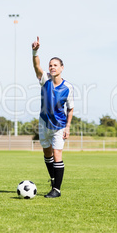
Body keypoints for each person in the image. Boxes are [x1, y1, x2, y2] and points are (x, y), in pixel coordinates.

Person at [32, 36, 74, 198]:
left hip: (59, 125)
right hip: (43, 123)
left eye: (55, 65)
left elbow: (70, 109)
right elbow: (36, 66)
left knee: (57, 155)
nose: (52, 67)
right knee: (47, 154)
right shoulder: (45, 80)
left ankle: (56, 189)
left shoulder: (68, 87)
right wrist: (35, 51)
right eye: (50, 65)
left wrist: (68, 127)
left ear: (62, 68)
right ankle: (53, 179)